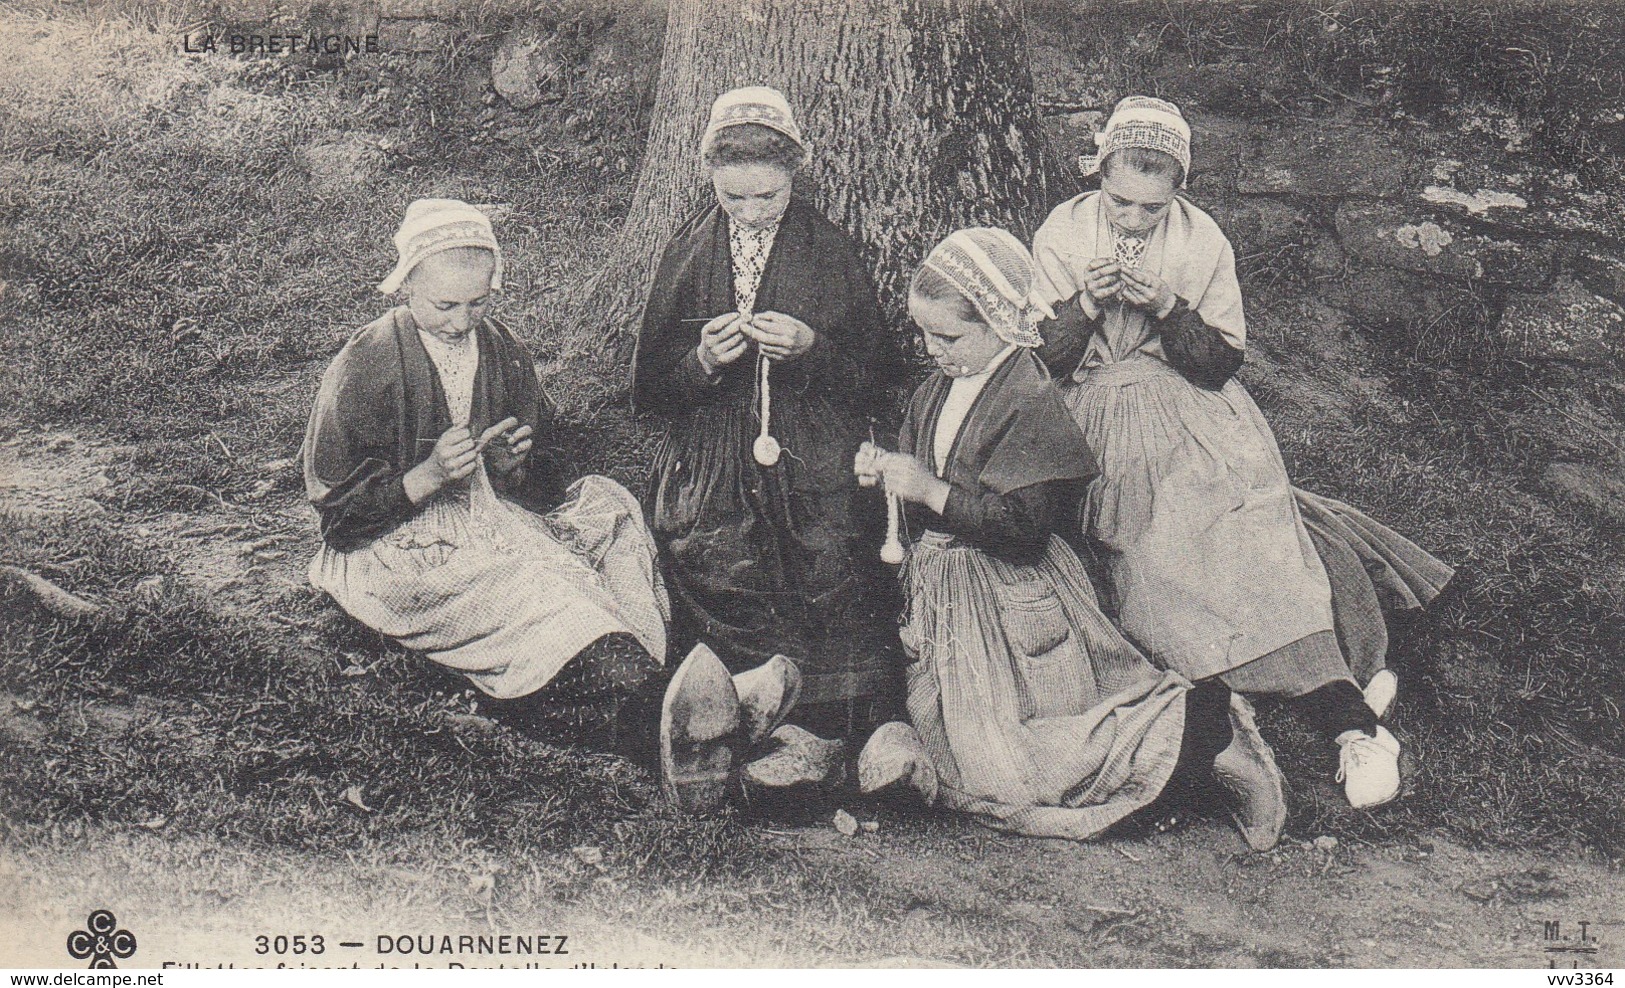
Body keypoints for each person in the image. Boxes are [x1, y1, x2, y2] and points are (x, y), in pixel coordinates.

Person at [302, 198, 797, 812]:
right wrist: (426, 477)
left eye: (477, 304)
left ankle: (684, 718)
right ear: (405, 289)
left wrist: (514, 467)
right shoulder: (368, 360)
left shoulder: (500, 347)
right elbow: (338, 514)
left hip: (492, 517)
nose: (462, 321)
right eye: (444, 306)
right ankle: (684, 723)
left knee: (593, 552)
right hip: (396, 543)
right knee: (536, 595)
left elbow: (539, 477)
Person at [1030, 97, 1456, 809]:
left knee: (1245, 525)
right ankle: (1289, 696)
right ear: (1098, 175)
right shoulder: (1062, 230)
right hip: (1098, 414)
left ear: (1177, 190)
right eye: (1120, 201)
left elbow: (1217, 362)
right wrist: (1084, 306)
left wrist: (1168, 308)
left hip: (1194, 412)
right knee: (1153, 554)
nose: (1133, 218)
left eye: (1150, 207)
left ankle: (1344, 714)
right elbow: (1042, 359)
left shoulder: (1202, 241)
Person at [852, 228, 1287, 847]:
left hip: (1012, 597)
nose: (933, 350)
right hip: (951, 600)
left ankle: (1205, 741)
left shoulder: (1028, 398)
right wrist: (886, 475)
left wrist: (929, 491)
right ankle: (1184, 746)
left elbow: (1025, 532)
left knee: (1007, 766)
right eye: (925, 334)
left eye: (948, 336)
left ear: (1002, 322)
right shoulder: (939, 387)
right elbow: (926, 469)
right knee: (965, 756)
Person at [631, 86, 901, 774]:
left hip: (810, 433)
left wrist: (810, 345)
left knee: (827, 538)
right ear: (711, 184)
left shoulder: (827, 248)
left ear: (793, 179)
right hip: (716, 441)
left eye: (767, 199)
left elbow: (873, 370)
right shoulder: (689, 250)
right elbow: (652, 387)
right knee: (712, 539)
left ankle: (827, 723)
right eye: (734, 200)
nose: (750, 214)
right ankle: (726, 705)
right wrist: (701, 360)